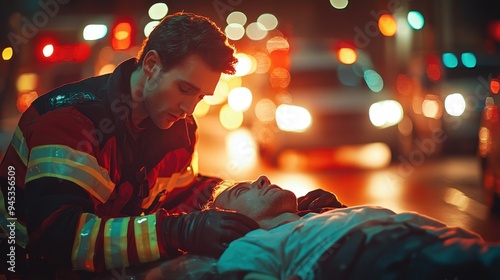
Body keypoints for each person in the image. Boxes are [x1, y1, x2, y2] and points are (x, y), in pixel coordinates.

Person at [0, 12, 341, 279]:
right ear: (151, 66)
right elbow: (58, 238)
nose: (189, 108)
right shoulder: (72, 121)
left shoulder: (179, 128)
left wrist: (287, 208)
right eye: (184, 88)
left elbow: (184, 193)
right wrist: (175, 232)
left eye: (201, 95)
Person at [206, 175, 500, 280]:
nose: (261, 178)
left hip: (435, 242)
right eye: (241, 191)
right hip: (383, 257)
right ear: (226, 220)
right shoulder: (250, 244)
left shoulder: (319, 216)